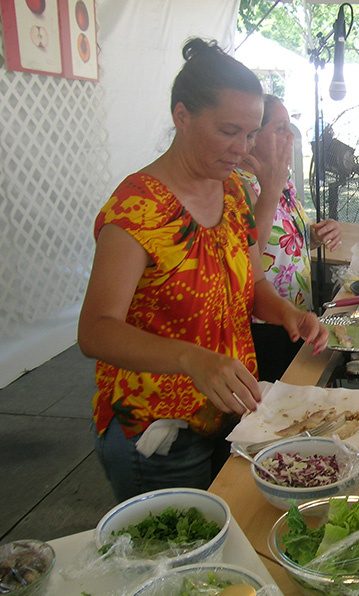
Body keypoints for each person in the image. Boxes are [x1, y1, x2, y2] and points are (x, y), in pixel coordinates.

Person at [77, 39, 329, 502]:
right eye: (229, 131)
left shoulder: (232, 189)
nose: (243, 148)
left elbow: (251, 286)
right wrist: (190, 358)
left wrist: (288, 314)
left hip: (232, 411)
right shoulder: (138, 207)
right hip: (157, 430)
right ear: (182, 116)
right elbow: (95, 331)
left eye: (251, 134)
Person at [236, 95, 342, 382]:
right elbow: (249, 256)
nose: (289, 135)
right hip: (264, 320)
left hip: (295, 313)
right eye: (280, 127)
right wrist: (270, 190)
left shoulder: (281, 180)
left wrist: (316, 236)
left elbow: (289, 238)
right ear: (252, 136)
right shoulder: (238, 187)